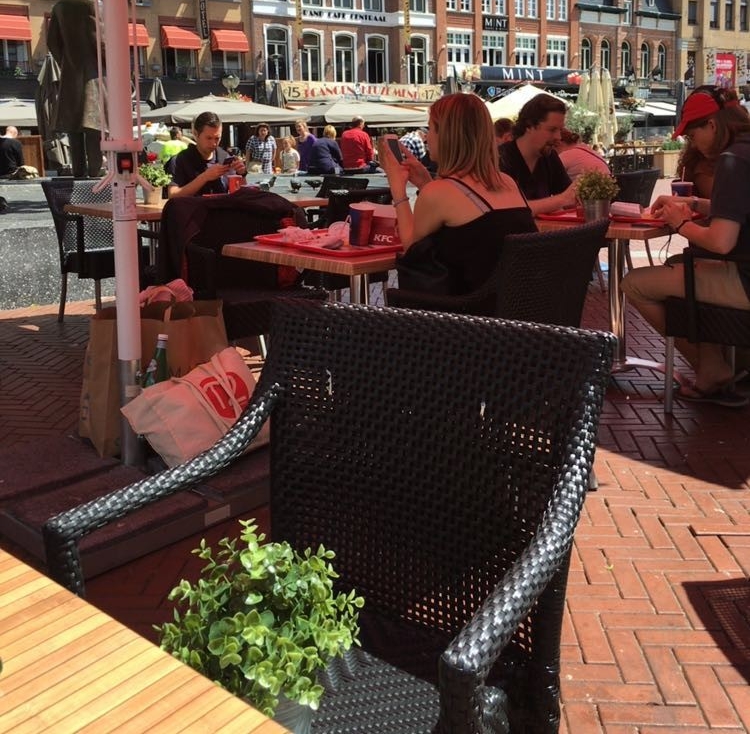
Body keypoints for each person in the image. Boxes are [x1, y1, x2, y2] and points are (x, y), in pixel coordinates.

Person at [621, 85, 750, 407]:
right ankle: (720, 364)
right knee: (688, 268)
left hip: (744, 280)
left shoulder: (733, 160)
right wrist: (694, 204)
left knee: (634, 284)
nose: (693, 143)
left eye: (692, 135)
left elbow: (720, 242)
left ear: (711, 125)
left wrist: (681, 223)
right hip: (739, 270)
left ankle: (712, 369)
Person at [378, 93, 536, 296]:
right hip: (517, 311)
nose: (427, 136)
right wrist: (426, 182)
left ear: (446, 136)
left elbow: (411, 250)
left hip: (466, 318)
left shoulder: (440, 192)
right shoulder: (507, 181)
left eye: (431, 128)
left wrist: (397, 187)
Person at [47, 0, 104, 178]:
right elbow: (102, 41)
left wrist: (67, 63)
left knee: (74, 127)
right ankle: (95, 173)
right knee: (95, 125)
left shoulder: (59, 7)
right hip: (95, 73)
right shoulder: (98, 4)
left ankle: (79, 173)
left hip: (71, 73)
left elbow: (52, 42)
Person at [498, 95, 577, 215]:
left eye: (560, 130)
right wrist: (562, 199)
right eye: (552, 130)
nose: (559, 137)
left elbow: (570, 199)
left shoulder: (550, 157)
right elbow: (510, 210)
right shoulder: (500, 158)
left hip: (544, 232)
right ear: (529, 126)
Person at [168, 111, 246, 198]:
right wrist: (205, 177)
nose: (213, 143)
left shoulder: (224, 157)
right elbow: (172, 195)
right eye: (209, 138)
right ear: (196, 134)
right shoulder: (180, 160)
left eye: (217, 138)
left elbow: (239, 194)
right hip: (193, 210)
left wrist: (242, 174)